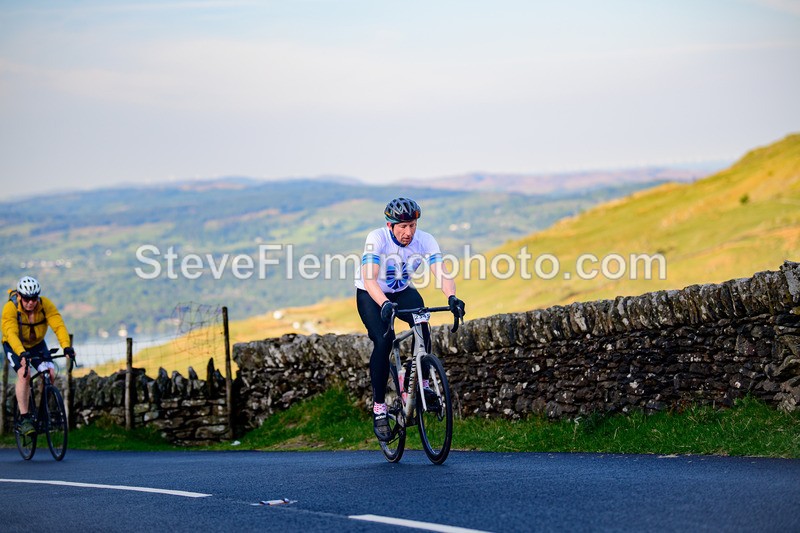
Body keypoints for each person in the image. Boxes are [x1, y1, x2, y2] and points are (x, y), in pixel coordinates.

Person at [354, 197, 466, 441]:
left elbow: (442, 273)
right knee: (384, 341)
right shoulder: (377, 239)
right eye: (402, 226)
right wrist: (383, 304)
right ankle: (379, 409)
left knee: (423, 324)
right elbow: (370, 279)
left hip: (402, 292)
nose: (408, 232)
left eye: (412, 225)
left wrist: (452, 296)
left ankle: (423, 384)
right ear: (390, 226)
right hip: (371, 294)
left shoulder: (425, 240)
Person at [2, 276, 75, 436]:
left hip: (36, 344)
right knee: (24, 373)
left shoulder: (45, 305)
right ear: (20, 296)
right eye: (27, 299)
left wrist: (67, 346)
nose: (30, 302)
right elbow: (11, 333)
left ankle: (42, 415)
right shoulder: (10, 308)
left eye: (34, 298)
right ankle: (25, 418)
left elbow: (58, 325)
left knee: (50, 373)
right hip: (14, 345)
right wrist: (21, 353)